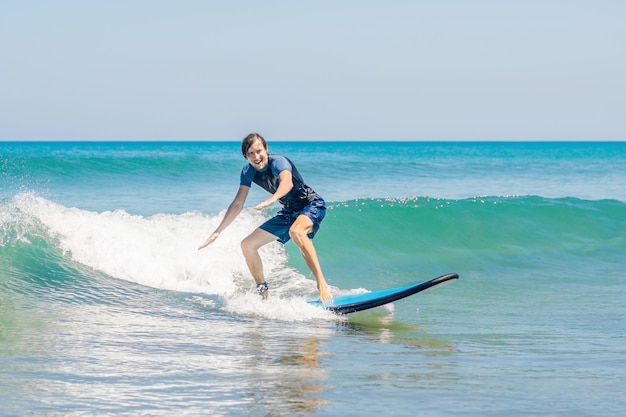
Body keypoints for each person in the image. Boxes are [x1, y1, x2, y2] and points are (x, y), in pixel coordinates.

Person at [198, 133, 332, 302]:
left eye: (258, 151)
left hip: (310, 204)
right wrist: (218, 231)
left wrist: (272, 199)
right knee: (247, 245)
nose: (256, 157)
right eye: (250, 154)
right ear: (246, 157)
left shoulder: (279, 162)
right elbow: (237, 204)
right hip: (289, 212)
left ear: (266, 149)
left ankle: (322, 284)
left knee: (297, 232)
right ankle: (263, 293)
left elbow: (287, 183)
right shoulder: (248, 172)